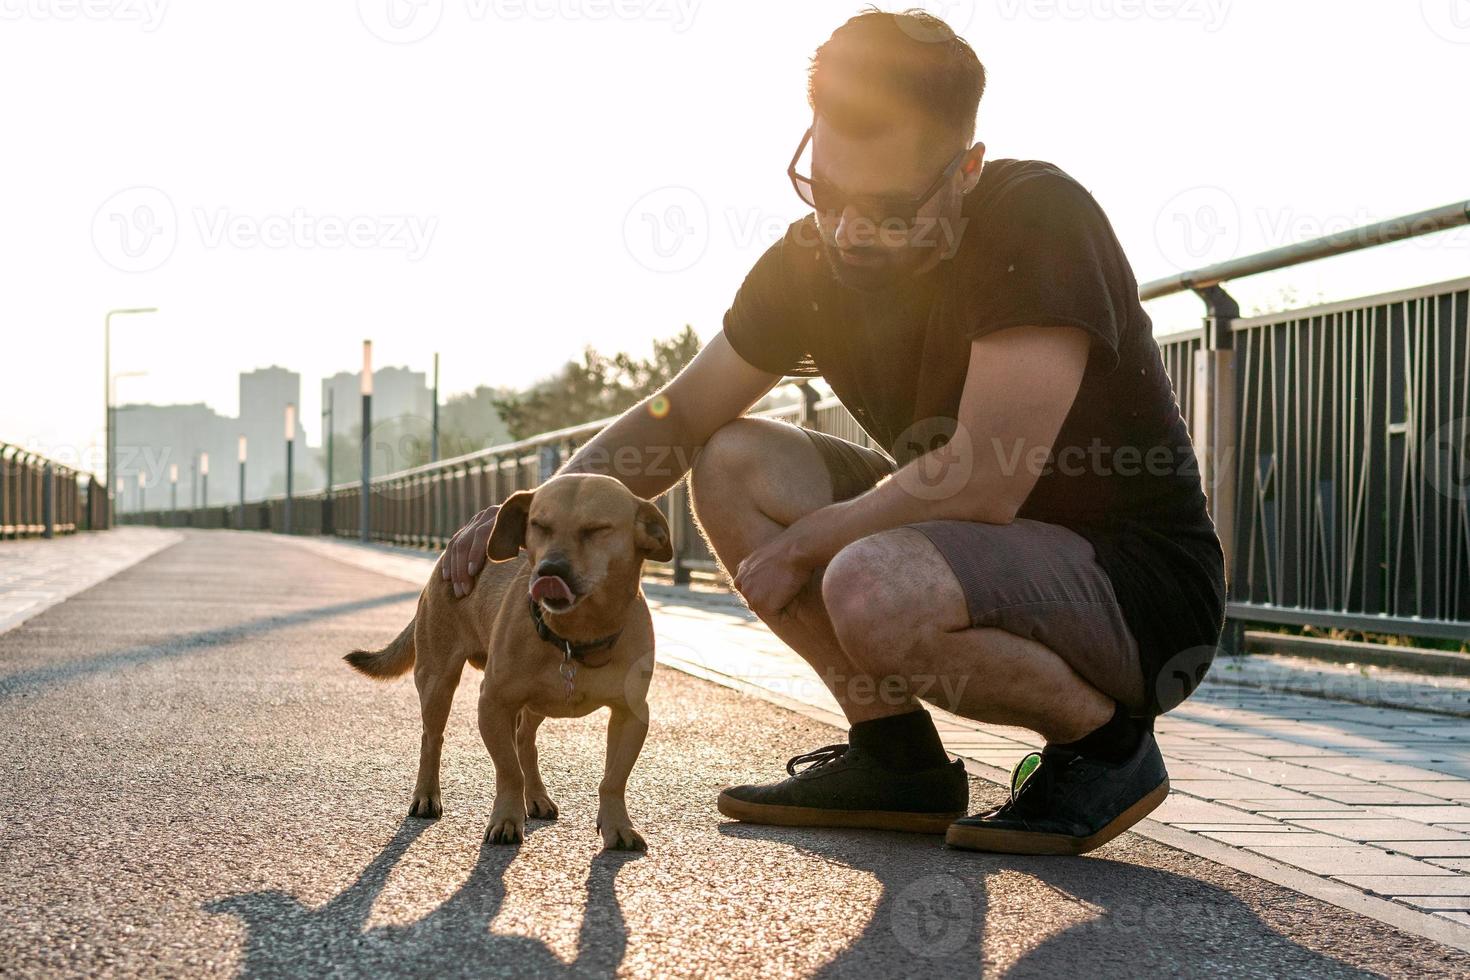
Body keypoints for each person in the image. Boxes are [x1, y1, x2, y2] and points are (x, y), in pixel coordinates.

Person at [444, 8, 1225, 855]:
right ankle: (897, 759)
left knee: (868, 582)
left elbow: (982, 479)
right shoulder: (809, 264)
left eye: (887, 207)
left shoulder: (1038, 218)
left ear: (965, 171)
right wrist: (518, 519)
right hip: (974, 549)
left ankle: (1104, 748)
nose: (850, 231)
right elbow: (680, 416)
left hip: (1132, 589)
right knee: (732, 461)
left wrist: (809, 544)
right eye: (827, 192)